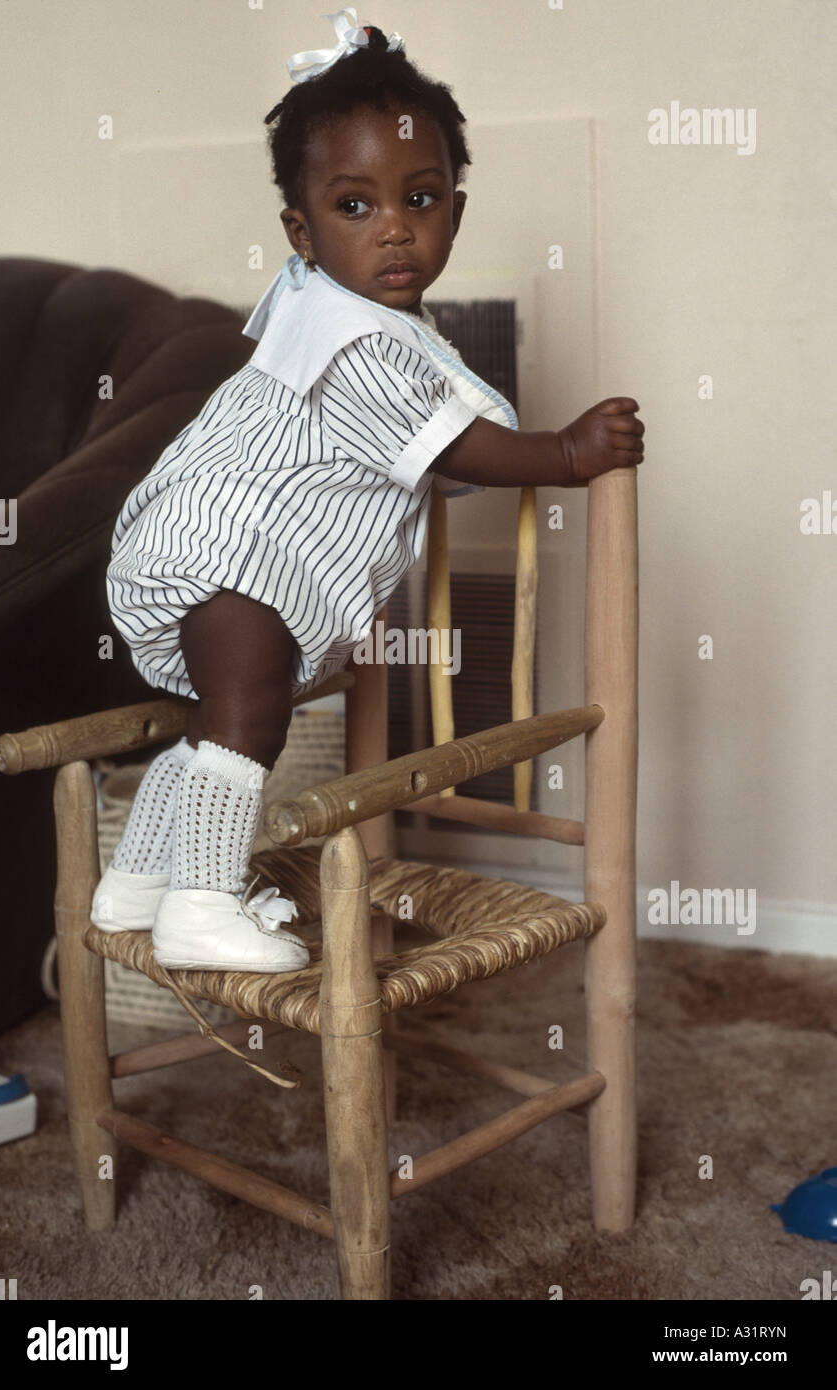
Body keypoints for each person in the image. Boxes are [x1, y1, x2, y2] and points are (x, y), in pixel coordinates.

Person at [92, 9, 645, 974]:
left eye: (419, 198)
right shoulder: (353, 340)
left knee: (220, 722)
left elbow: (419, 451)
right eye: (354, 206)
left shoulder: (351, 318)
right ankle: (201, 904)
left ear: (454, 214)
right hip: (228, 551)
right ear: (301, 233)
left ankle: (136, 880)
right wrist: (565, 452)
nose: (393, 228)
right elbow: (458, 448)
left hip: (219, 548)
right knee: (247, 720)